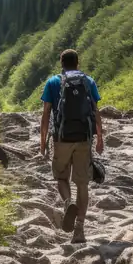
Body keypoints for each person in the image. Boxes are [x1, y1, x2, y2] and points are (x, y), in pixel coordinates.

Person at [40, 48, 103, 244]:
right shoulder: (88, 81)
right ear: (78, 63)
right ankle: (79, 230)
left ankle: (68, 202)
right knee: (82, 183)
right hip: (84, 138)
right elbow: (95, 110)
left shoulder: (52, 82)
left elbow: (46, 113)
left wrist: (42, 140)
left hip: (61, 139)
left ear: (61, 63)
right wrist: (100, 137)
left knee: (61, 177)